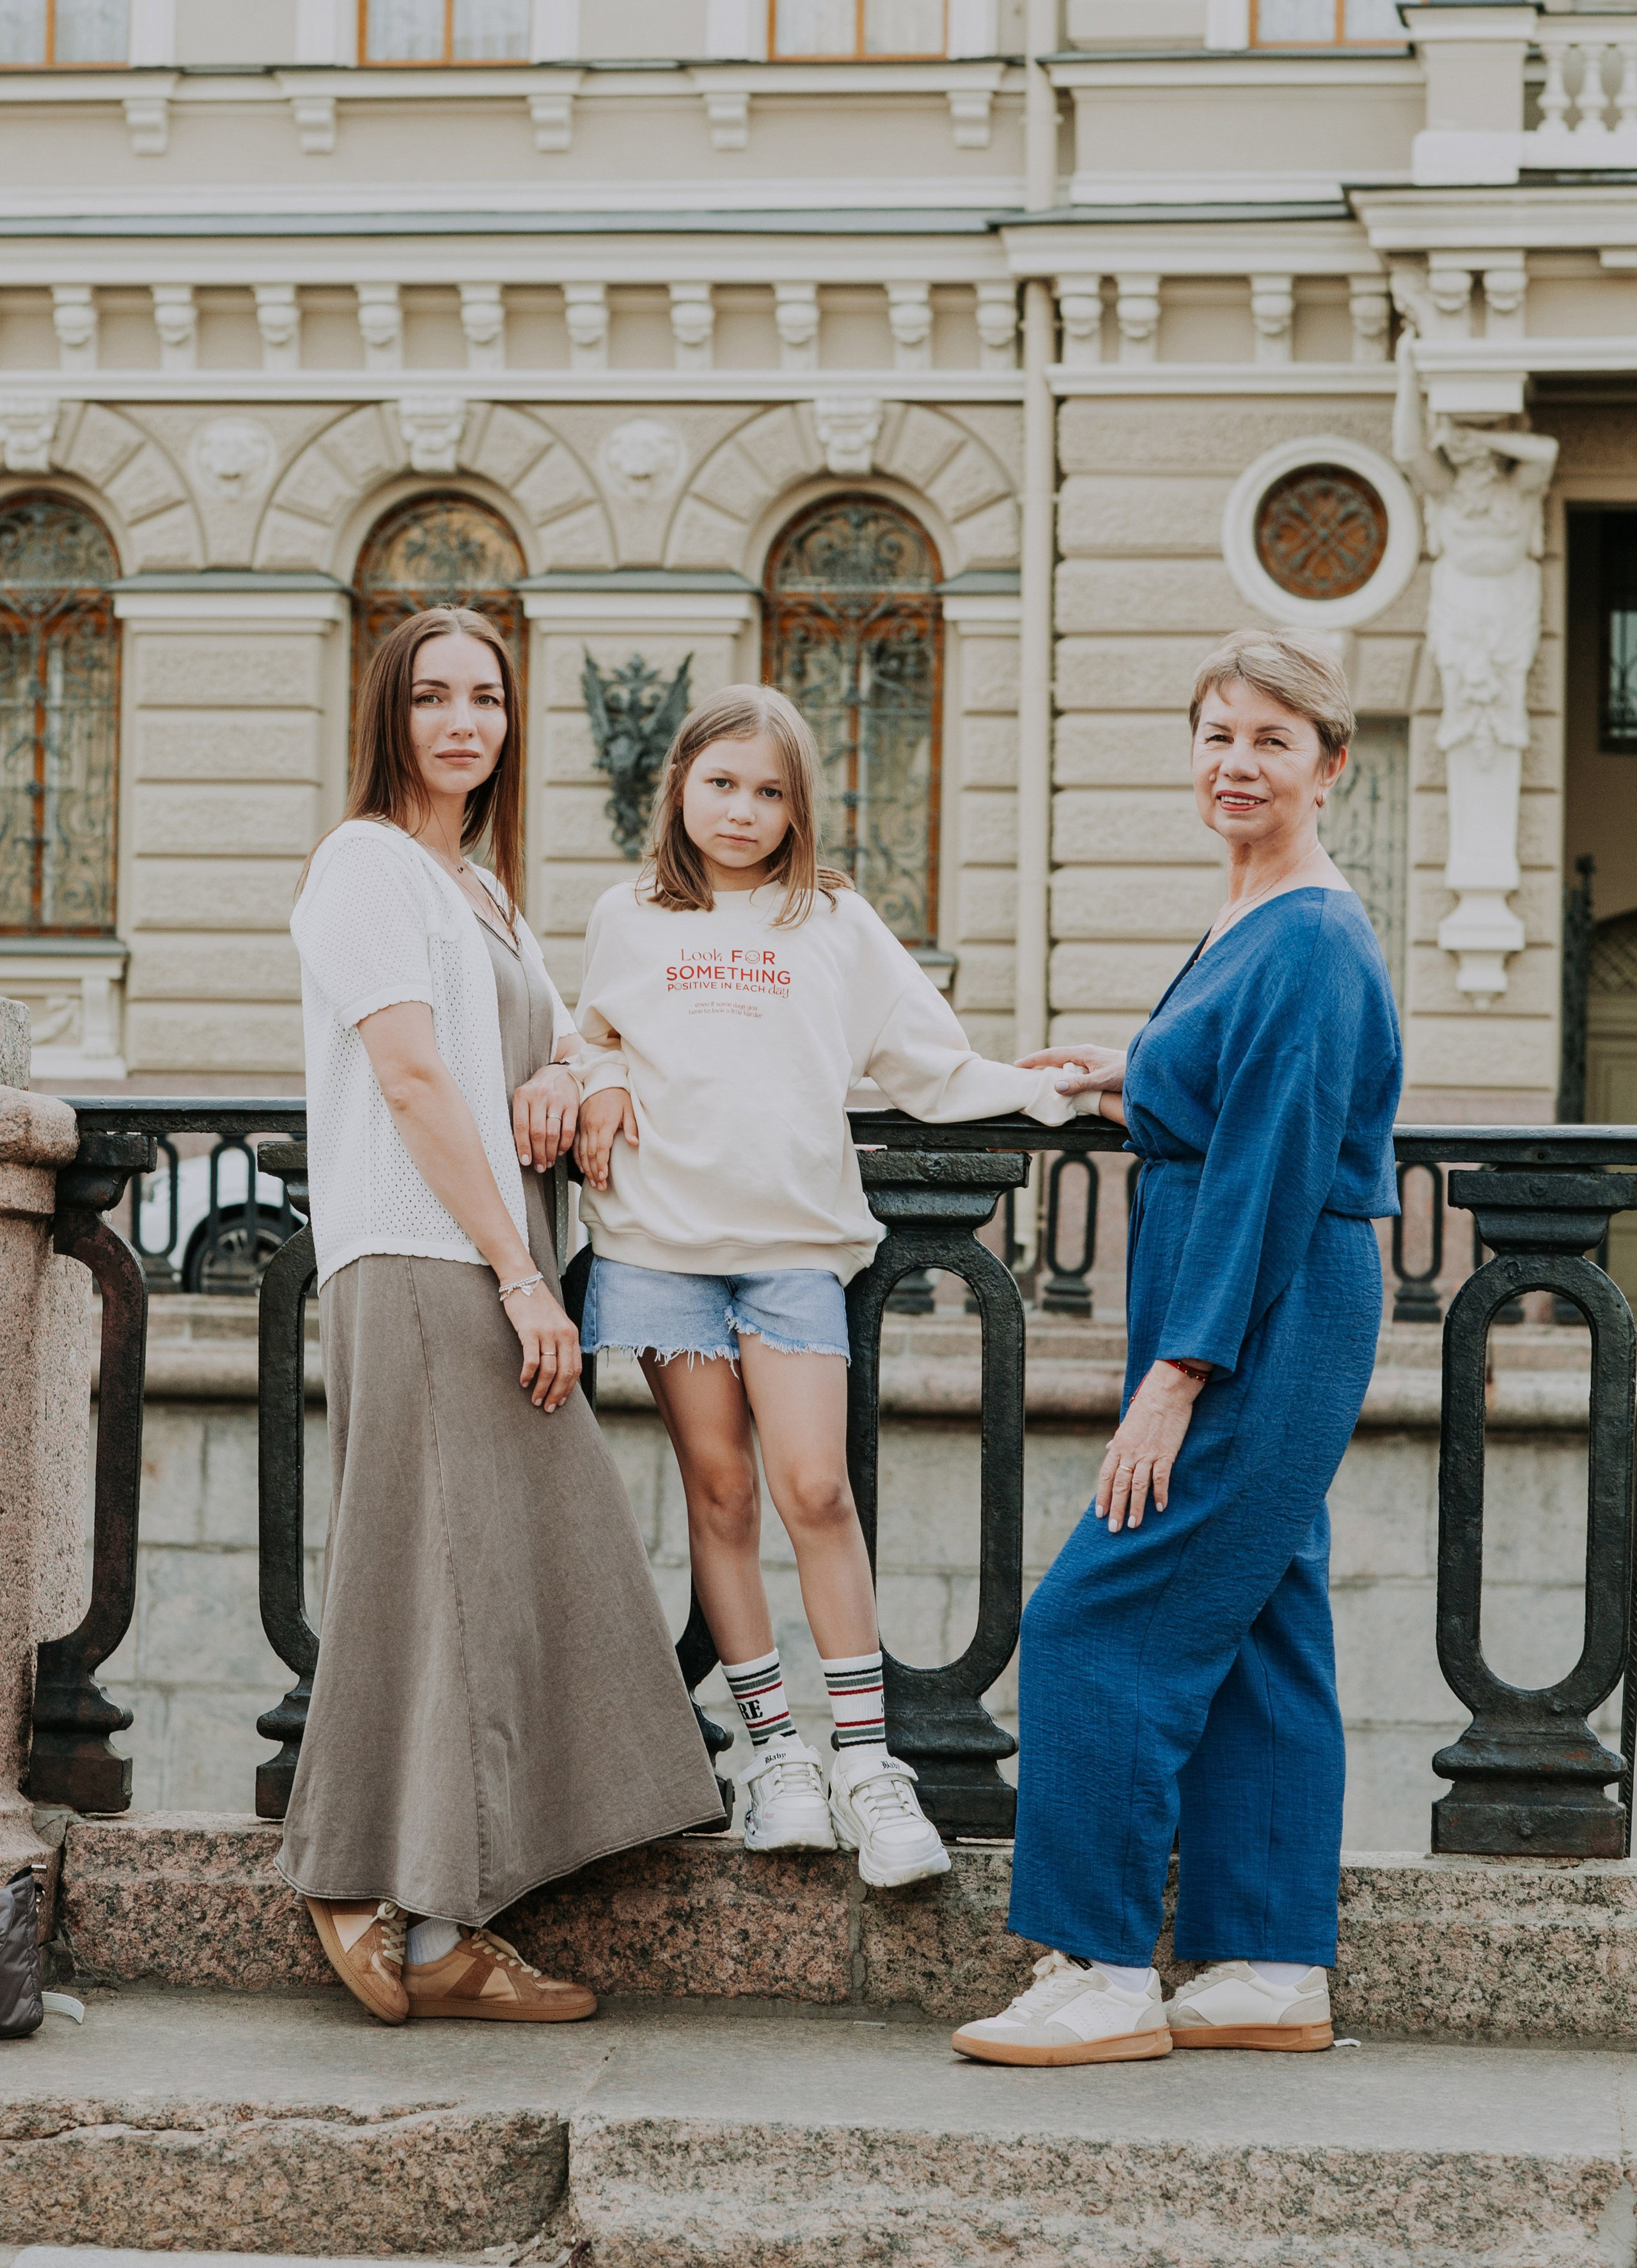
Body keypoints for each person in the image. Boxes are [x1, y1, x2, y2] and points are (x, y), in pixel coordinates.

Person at [955, 626, 1401, 2068]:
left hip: (1254, 1308)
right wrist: (1125, 1077)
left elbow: (1276, 1159)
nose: (1235, 762)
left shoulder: (1315, 932)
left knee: (1094, 1618)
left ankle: (1096, 1965)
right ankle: (1266, 1961)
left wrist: (1175, 1374)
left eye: (1271, 740)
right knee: (1263, 1618)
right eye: (1216, 733)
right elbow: (1229, 1094)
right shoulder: (1251, 916)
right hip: (1247, 1288)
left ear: (1328, 767)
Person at [567, 684, 1096, 1886]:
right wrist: (590, 1073)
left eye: (769, 792)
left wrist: (1044, 1088)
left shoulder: (834, 923)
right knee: (718, 1493)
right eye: (721, 785)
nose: (742, 810)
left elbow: (926, 1059)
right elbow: (586, 1031)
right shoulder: (629, 914)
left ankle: (869, 1763)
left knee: (815, 1489)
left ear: (800, 808)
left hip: (794, 1250)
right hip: (660, 1248)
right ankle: (778, 1758)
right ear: (680, 790)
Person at [280, 606, 723, 2027]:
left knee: (500, 1565)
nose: (463, 721)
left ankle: (436, 1910)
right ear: (388, 717)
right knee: (431, 1566)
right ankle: (369, 1890)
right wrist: (519, 1273)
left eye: (486, 696)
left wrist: (573, 1076)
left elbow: (539, 1048)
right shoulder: (366, 865)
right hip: (423, 1256)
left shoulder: (480, 889)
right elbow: (411, 1082)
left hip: (482, 1255)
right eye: (432, 697)